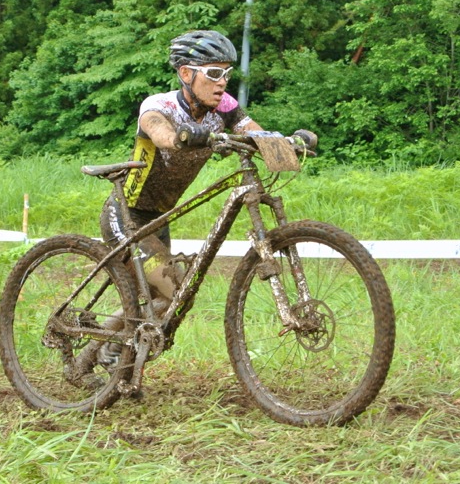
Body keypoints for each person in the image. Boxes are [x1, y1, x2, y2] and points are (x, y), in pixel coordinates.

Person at [92, 29, 316, 369]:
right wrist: (181, 135)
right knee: (174, 290)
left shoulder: (224, 108)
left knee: (162, 300)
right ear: (186, 73)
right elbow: (159, 132)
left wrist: (286, 142)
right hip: (127, 216)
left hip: (159, 220)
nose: (222, 81)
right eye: (213, 73)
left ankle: (96, 356)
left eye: (226, 73)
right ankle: (107, 357)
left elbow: (254, 131)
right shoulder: (160, 104)